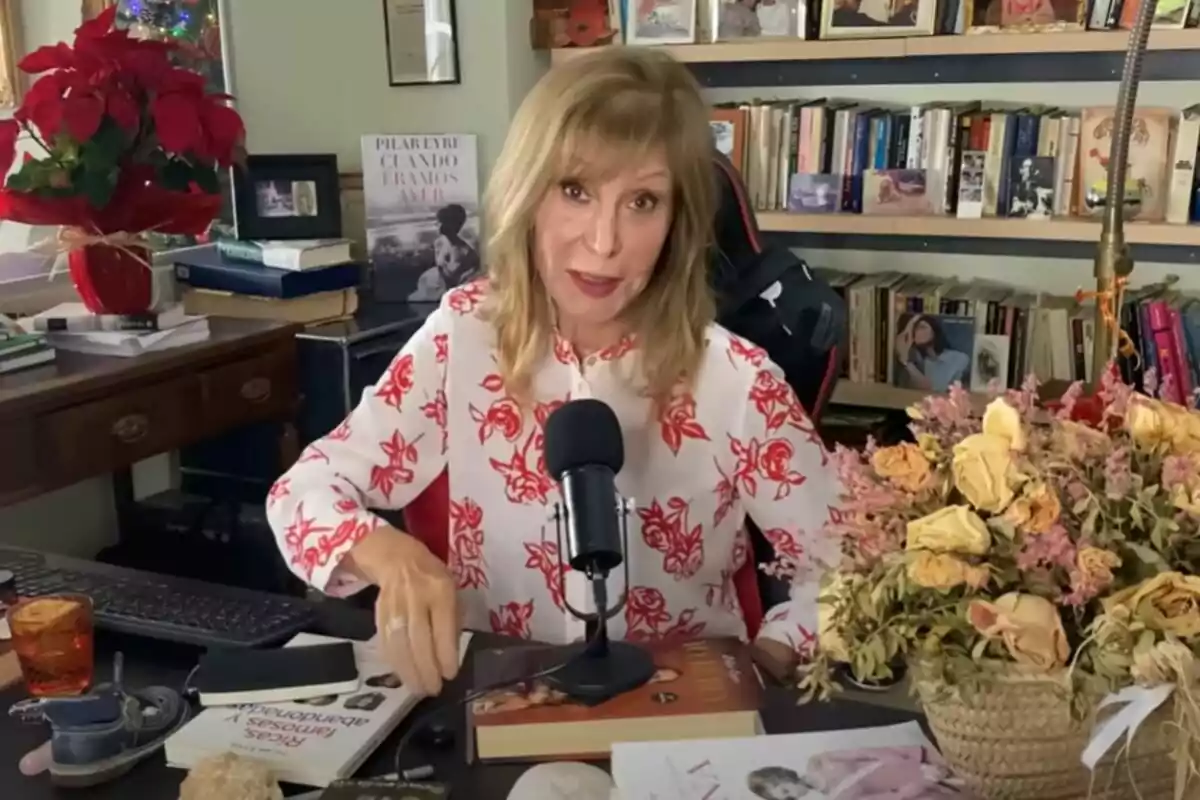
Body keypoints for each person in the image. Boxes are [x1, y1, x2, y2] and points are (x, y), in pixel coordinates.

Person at [265, 47, 839, 698]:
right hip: (498, 707)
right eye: (575, 190)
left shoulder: (736, 380)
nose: (603, 242)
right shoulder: (463, 335)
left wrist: (766, 659)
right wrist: (388, 555)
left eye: (643, 201)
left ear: (677, 220)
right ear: (528, 193)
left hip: (680, 725)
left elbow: (851, 566)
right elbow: (300, 494)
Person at [409, 203, 481, 302]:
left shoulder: (465, 253)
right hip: (432, 288)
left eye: (442, 222)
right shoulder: (438, 243)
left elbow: (453, 283)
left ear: (453, 224)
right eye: (438, 221)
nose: (437, 225)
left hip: (450, 295)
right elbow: (439, 267)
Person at [894, 314, 970, 392]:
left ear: (934, 331)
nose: (917, 332)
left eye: (922, 327)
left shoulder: (958, 357)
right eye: (914, 330)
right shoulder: (920, 362)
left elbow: (934, 389)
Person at [747, 766, 814, 799]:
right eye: (789, 799)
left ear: (786, 778)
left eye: (786, 791)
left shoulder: (817, 769)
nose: (795, 795)